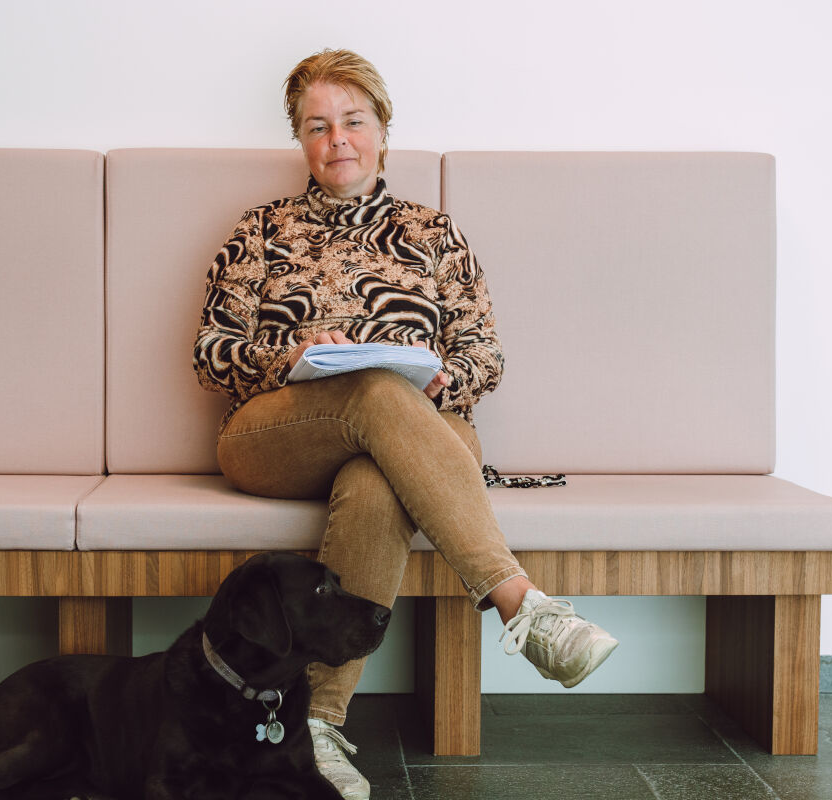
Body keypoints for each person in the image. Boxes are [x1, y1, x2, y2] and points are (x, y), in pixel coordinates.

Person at [193, 48, 618, 800]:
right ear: (300, 140)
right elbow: (211, 352)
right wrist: (293, 353)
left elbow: (485, 352)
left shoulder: (435, 233)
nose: (338, 141)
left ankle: (317, 727)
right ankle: (522, 606)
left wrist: (450, 372)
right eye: (317, 127)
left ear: (383, 128)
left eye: (353, 121)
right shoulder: (261, 230)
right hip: (281, 434)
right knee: (377, 391)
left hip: (413, 436)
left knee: (378, 475)